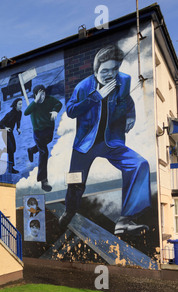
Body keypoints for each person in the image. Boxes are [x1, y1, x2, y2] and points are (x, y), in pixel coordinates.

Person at [58, 45, 151, 236]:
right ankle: (70, 210)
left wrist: (131, 116)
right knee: (75, 183)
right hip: (85, 144)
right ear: (96, 70)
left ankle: (125, 221)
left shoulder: (123, 81)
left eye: (115, 69)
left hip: (111, 142)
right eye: (105, 70)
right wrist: (96, 97)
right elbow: (71, 110)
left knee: (140, 164)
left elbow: (127, 100)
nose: (111, 74)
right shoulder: (83, 87)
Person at [24, 84, 62, 191]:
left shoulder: (49, 100)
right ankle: (43, 180)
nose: (42, 96)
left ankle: (31, 150)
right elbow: (26, 112)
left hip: (49, 130)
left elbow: (58, 103)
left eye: (44, 94)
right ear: (35, 95)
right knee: (44, 152)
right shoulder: (34, 105)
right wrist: (35, 101)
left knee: (47, 142)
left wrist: (55, 110)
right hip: (38, 132)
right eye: (40, 95)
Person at [0, 98, 22, 174]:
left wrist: (18, 128)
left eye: (21, 104)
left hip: (10, 132)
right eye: (19, 104)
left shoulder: (19, 113)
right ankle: (11, 168)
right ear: (15, 105)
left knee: (13, 149)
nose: (21, 106)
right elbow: (0, 123)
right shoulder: (10, 114)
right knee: (10, 150)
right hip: (4, 132)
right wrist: (5, 128)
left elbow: (18, 121)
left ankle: (8, 165)